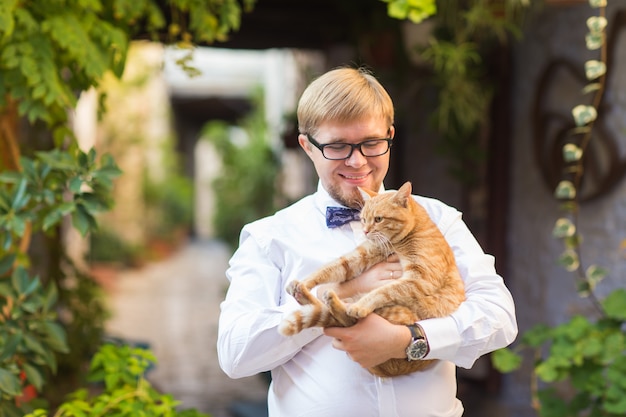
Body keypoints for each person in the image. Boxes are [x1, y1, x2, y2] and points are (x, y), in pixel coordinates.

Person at [217, 66, 517, 417]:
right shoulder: (269, 237)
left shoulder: (438, 218)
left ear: (390, 136)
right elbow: (236, 354)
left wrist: (410, 340)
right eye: (337, 146)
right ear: (307, 146)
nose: (357, 161)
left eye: (371, 143)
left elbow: (499, 316)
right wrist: (346, 290)